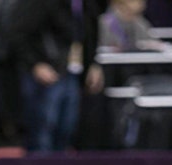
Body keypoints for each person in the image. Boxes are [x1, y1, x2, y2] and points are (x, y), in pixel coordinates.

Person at [10, 0, 105, 152]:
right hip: (46, 71)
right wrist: (35, 64)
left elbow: (89, 33)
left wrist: (92, 63)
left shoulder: (86, 4)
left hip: (73, 70)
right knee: (43, 129)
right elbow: (18, 33)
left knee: (66, 128)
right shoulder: (38, 4)